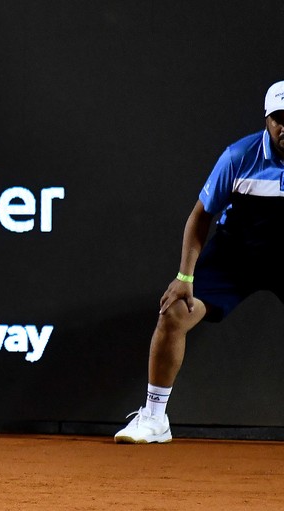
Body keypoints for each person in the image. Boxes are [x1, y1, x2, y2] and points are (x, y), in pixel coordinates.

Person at [115, 80, 284, 444]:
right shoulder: (238, 157)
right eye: (278, 118)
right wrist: (184, 275)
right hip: (235, 256)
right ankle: (155, 418)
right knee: (173, 312)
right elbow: (200, 216)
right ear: (266, 120)